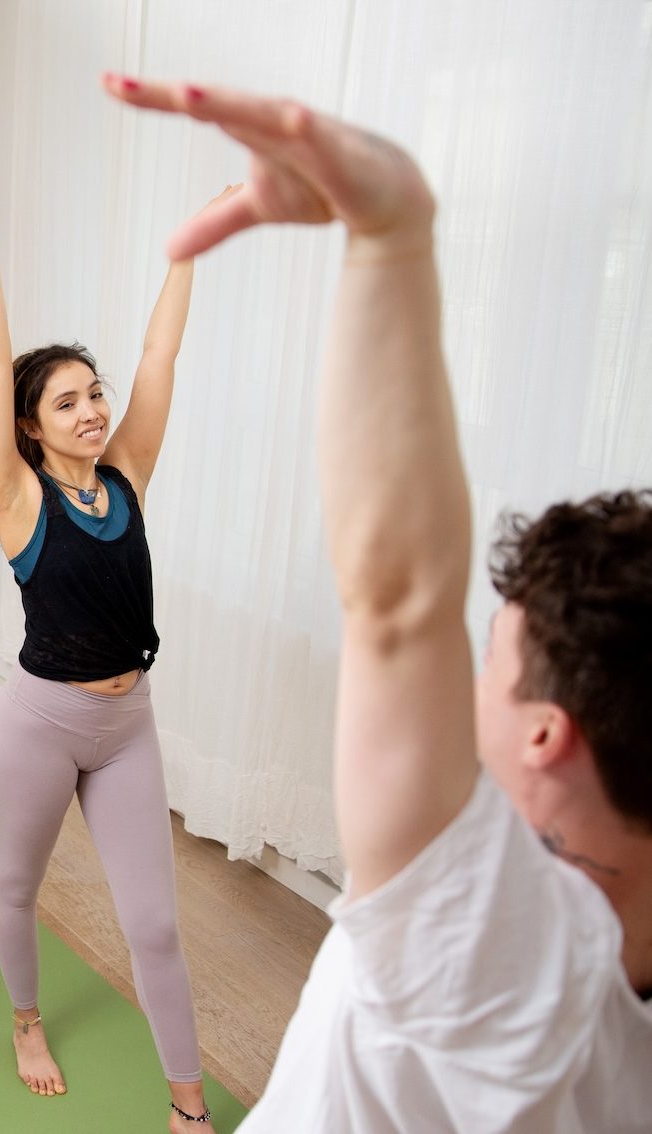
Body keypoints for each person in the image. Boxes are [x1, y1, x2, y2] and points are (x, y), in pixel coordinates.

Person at [103, 75, 652, 1129]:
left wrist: (390, 240)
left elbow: (399, 595)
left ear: (545, 733)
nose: (468, 686)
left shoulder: (510, 959)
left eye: (491, 660)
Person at [0, 164, 229, 1129]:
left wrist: (184, 255)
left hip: (128, 724)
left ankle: (187, 1107)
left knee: (153, 923)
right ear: (28, 426)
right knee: (17, 887)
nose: (92, 410)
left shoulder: (127, 473)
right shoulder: (15, 499)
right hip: (38, 725)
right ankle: (25, 1020)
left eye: (92, 395)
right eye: (65, 403)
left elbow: (160, 355)